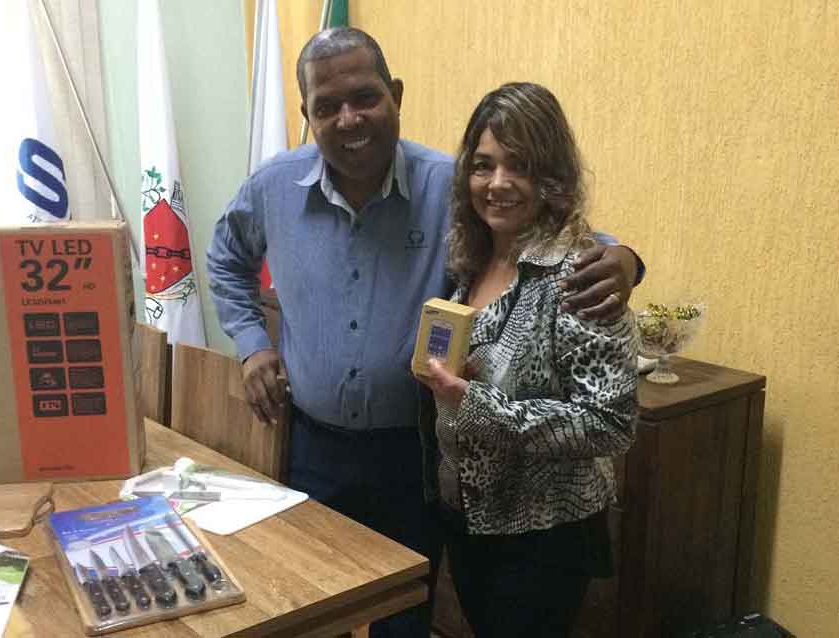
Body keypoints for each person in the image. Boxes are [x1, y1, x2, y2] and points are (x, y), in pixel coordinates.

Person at [207, 28, 640, 638]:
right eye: (327, 106)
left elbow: (554, 239)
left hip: (413, 460)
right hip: (311, 449)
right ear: (306, 113)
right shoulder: (272, 186)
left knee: (402, 618)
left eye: (365, 97)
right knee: (308, 608)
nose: (349, 119)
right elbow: (225, 260)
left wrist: (626, 259)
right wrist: (253, 345)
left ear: (397, 95)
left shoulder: (449, 185)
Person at [416, 82, 639, 638]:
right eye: (483, 165)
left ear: (551, 177)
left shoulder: (580, 275)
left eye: (518, 165)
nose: (497, 183)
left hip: (544, 537)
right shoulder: (471, 259)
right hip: (468, 522)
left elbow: (610, 421)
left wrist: (477, 406)